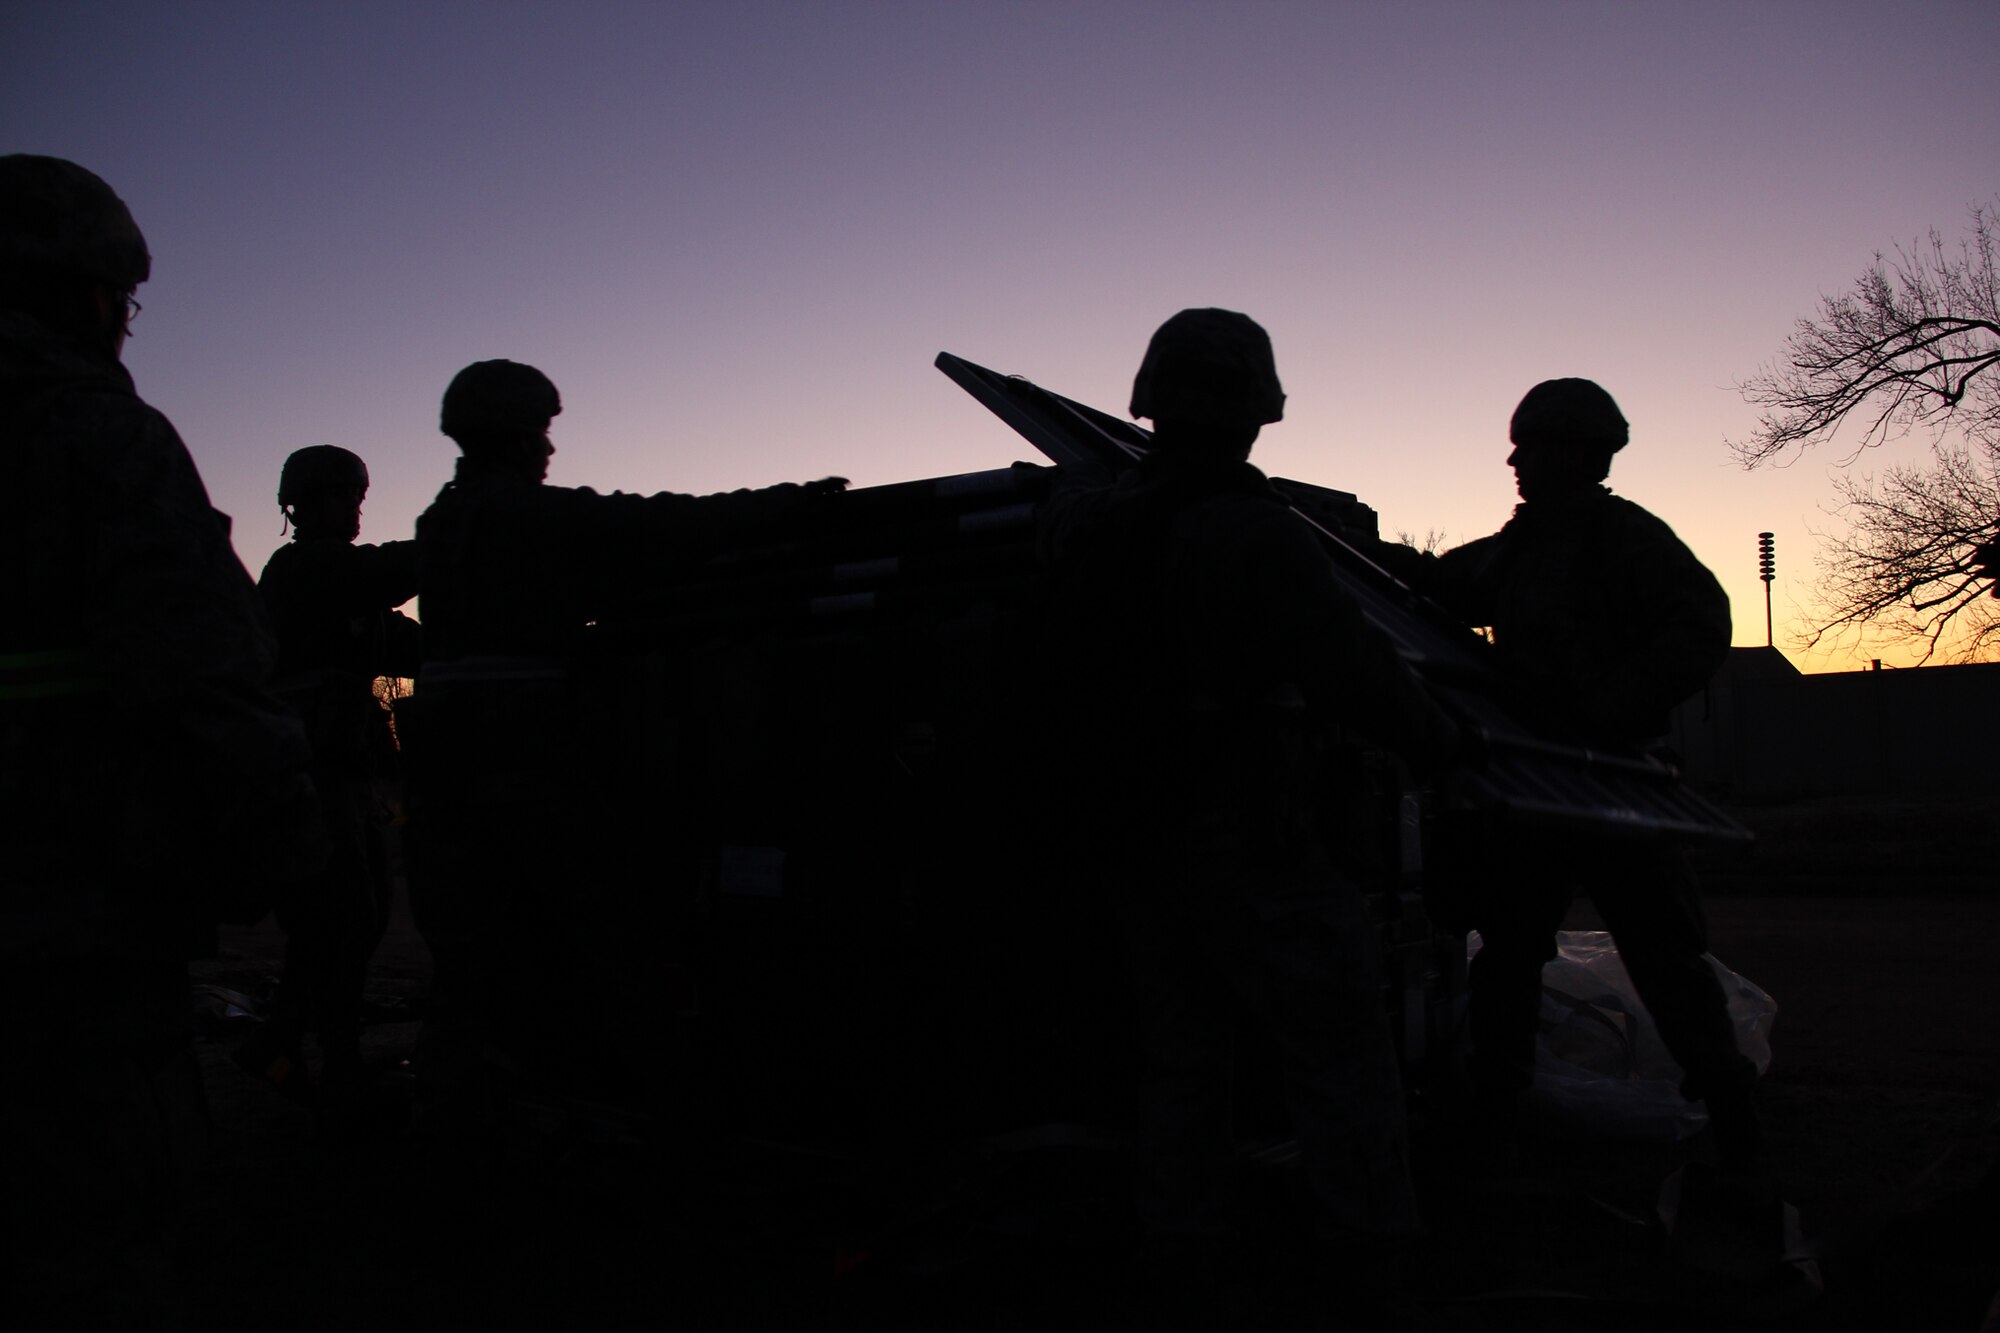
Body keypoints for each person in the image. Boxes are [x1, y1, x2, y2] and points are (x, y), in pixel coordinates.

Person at [1036, 310, 1457, 1303]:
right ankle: (1370, 1263)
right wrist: (1447, 745)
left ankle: (1179, 1253)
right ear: (1254, 411)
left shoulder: (1077, 520)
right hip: (1251, 833)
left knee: (1182, 1059)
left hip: (1137, 835)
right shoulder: (1252, 532)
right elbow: (1351, 670)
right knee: (1339, 1055)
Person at [0, 154, 321, 1327]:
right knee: (93, 1214)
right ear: (90, 293)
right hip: (65, 910)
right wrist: (287, 838)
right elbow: (191, 660)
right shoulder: (90, 435)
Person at [405, 359, 843, 1146]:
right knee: (596, 935)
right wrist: (792, 505)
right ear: (514, 431)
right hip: (523, 761)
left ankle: (462, 1117)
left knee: (472, 959)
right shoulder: (522, 517)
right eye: (541, 430)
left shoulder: (445, 521)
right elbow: (666, 526)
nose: (548, 447)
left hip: (449, 768)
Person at [1378, 379, 1766, 1180]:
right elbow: (1444, 584)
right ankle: (1494, 1126)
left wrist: (1608, 705)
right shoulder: (1522, 546)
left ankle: (1738, 1134)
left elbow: (1701, 625)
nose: (1516, 460)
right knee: (1510, 957)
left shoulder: (1628, 539)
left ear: (1578, 451)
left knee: (1666, 961)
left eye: (1533, 445)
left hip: (1616, 785)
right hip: (1538, 792)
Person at [240, 445, 422, 1105]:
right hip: (306, 779)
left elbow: (412, 644)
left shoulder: (356, 595)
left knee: (352, 919)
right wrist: (455, 538)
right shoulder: (300, 570)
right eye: (347, 495)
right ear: (307, 504)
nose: (356, 508)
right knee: (341, 918)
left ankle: (280, 1039)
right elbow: (384, 571)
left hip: (348, 781)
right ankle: (332, 1062)